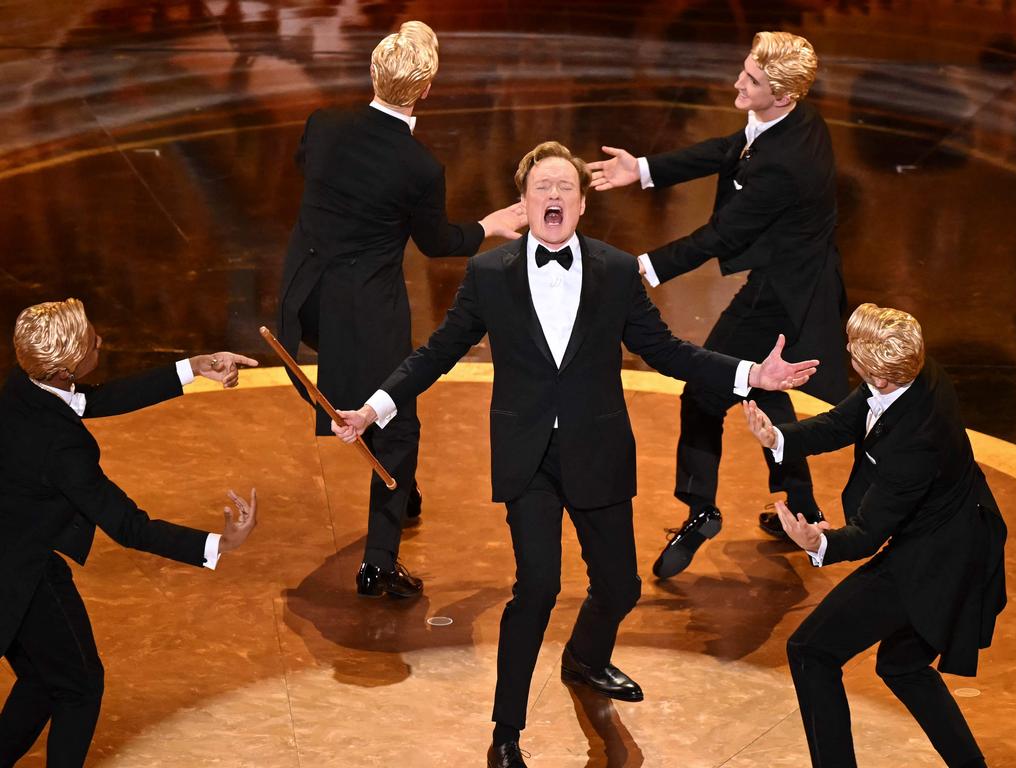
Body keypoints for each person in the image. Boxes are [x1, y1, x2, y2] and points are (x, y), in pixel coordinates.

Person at [331, 141, 818, 768]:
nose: (553, 196)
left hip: (598, 449)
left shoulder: (617, 272)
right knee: (535, 589)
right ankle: (505, 734)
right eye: (541, 188)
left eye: (565, 187)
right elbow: (437, 352)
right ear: (524, 203)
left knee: (617, 586)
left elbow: (670, 353)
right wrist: (374, 409)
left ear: (583, 205)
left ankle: (585, 659)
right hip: (527, 455)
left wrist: (753, 375)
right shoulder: (490, 274)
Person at [277, 20, 524, 599]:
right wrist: (489, 225)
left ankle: (404, 493)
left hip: (304, 297)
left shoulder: (323, 124)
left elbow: (304, 167)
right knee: (396, 421)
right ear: (426, 90)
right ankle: (379, 563)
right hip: (364, 309)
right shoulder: (419, 167)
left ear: (372, 73)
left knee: (380, 414)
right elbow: (437, 242)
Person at [587, 31, 848, 577]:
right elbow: (730, 150)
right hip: (797, 281)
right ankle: (802, 509)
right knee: (765, 391)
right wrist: (645, 170)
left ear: (782, 95)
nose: (736, 82)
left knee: (707, 391)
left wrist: (641, 269)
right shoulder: (793, 120)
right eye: (744, 70)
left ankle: (700, 508)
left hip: (780, 295)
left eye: (751, 80)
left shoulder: (785, 165)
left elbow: (720, 236)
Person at [743, 303, 1006, 768]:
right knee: (902, 666)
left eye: (854, 352)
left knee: (810, 651)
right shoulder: (915, 371)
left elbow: (868, 534)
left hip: (935, 560)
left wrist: (817, 542)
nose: (847, 351)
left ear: (880, 375)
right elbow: (849, 420)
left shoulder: (914, 443)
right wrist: (779, 439)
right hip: (956, 534)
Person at [0, 298, 260, 767]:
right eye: (88, 343)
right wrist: (221, 543)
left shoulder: (24, 384)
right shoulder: (62, 450)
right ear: (63, 368)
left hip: (9, 550)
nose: (100, 340)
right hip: (24, 574)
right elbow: (129, 526)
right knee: (79, 686)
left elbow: (90, 399)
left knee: (44, 680)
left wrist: (191, 369)